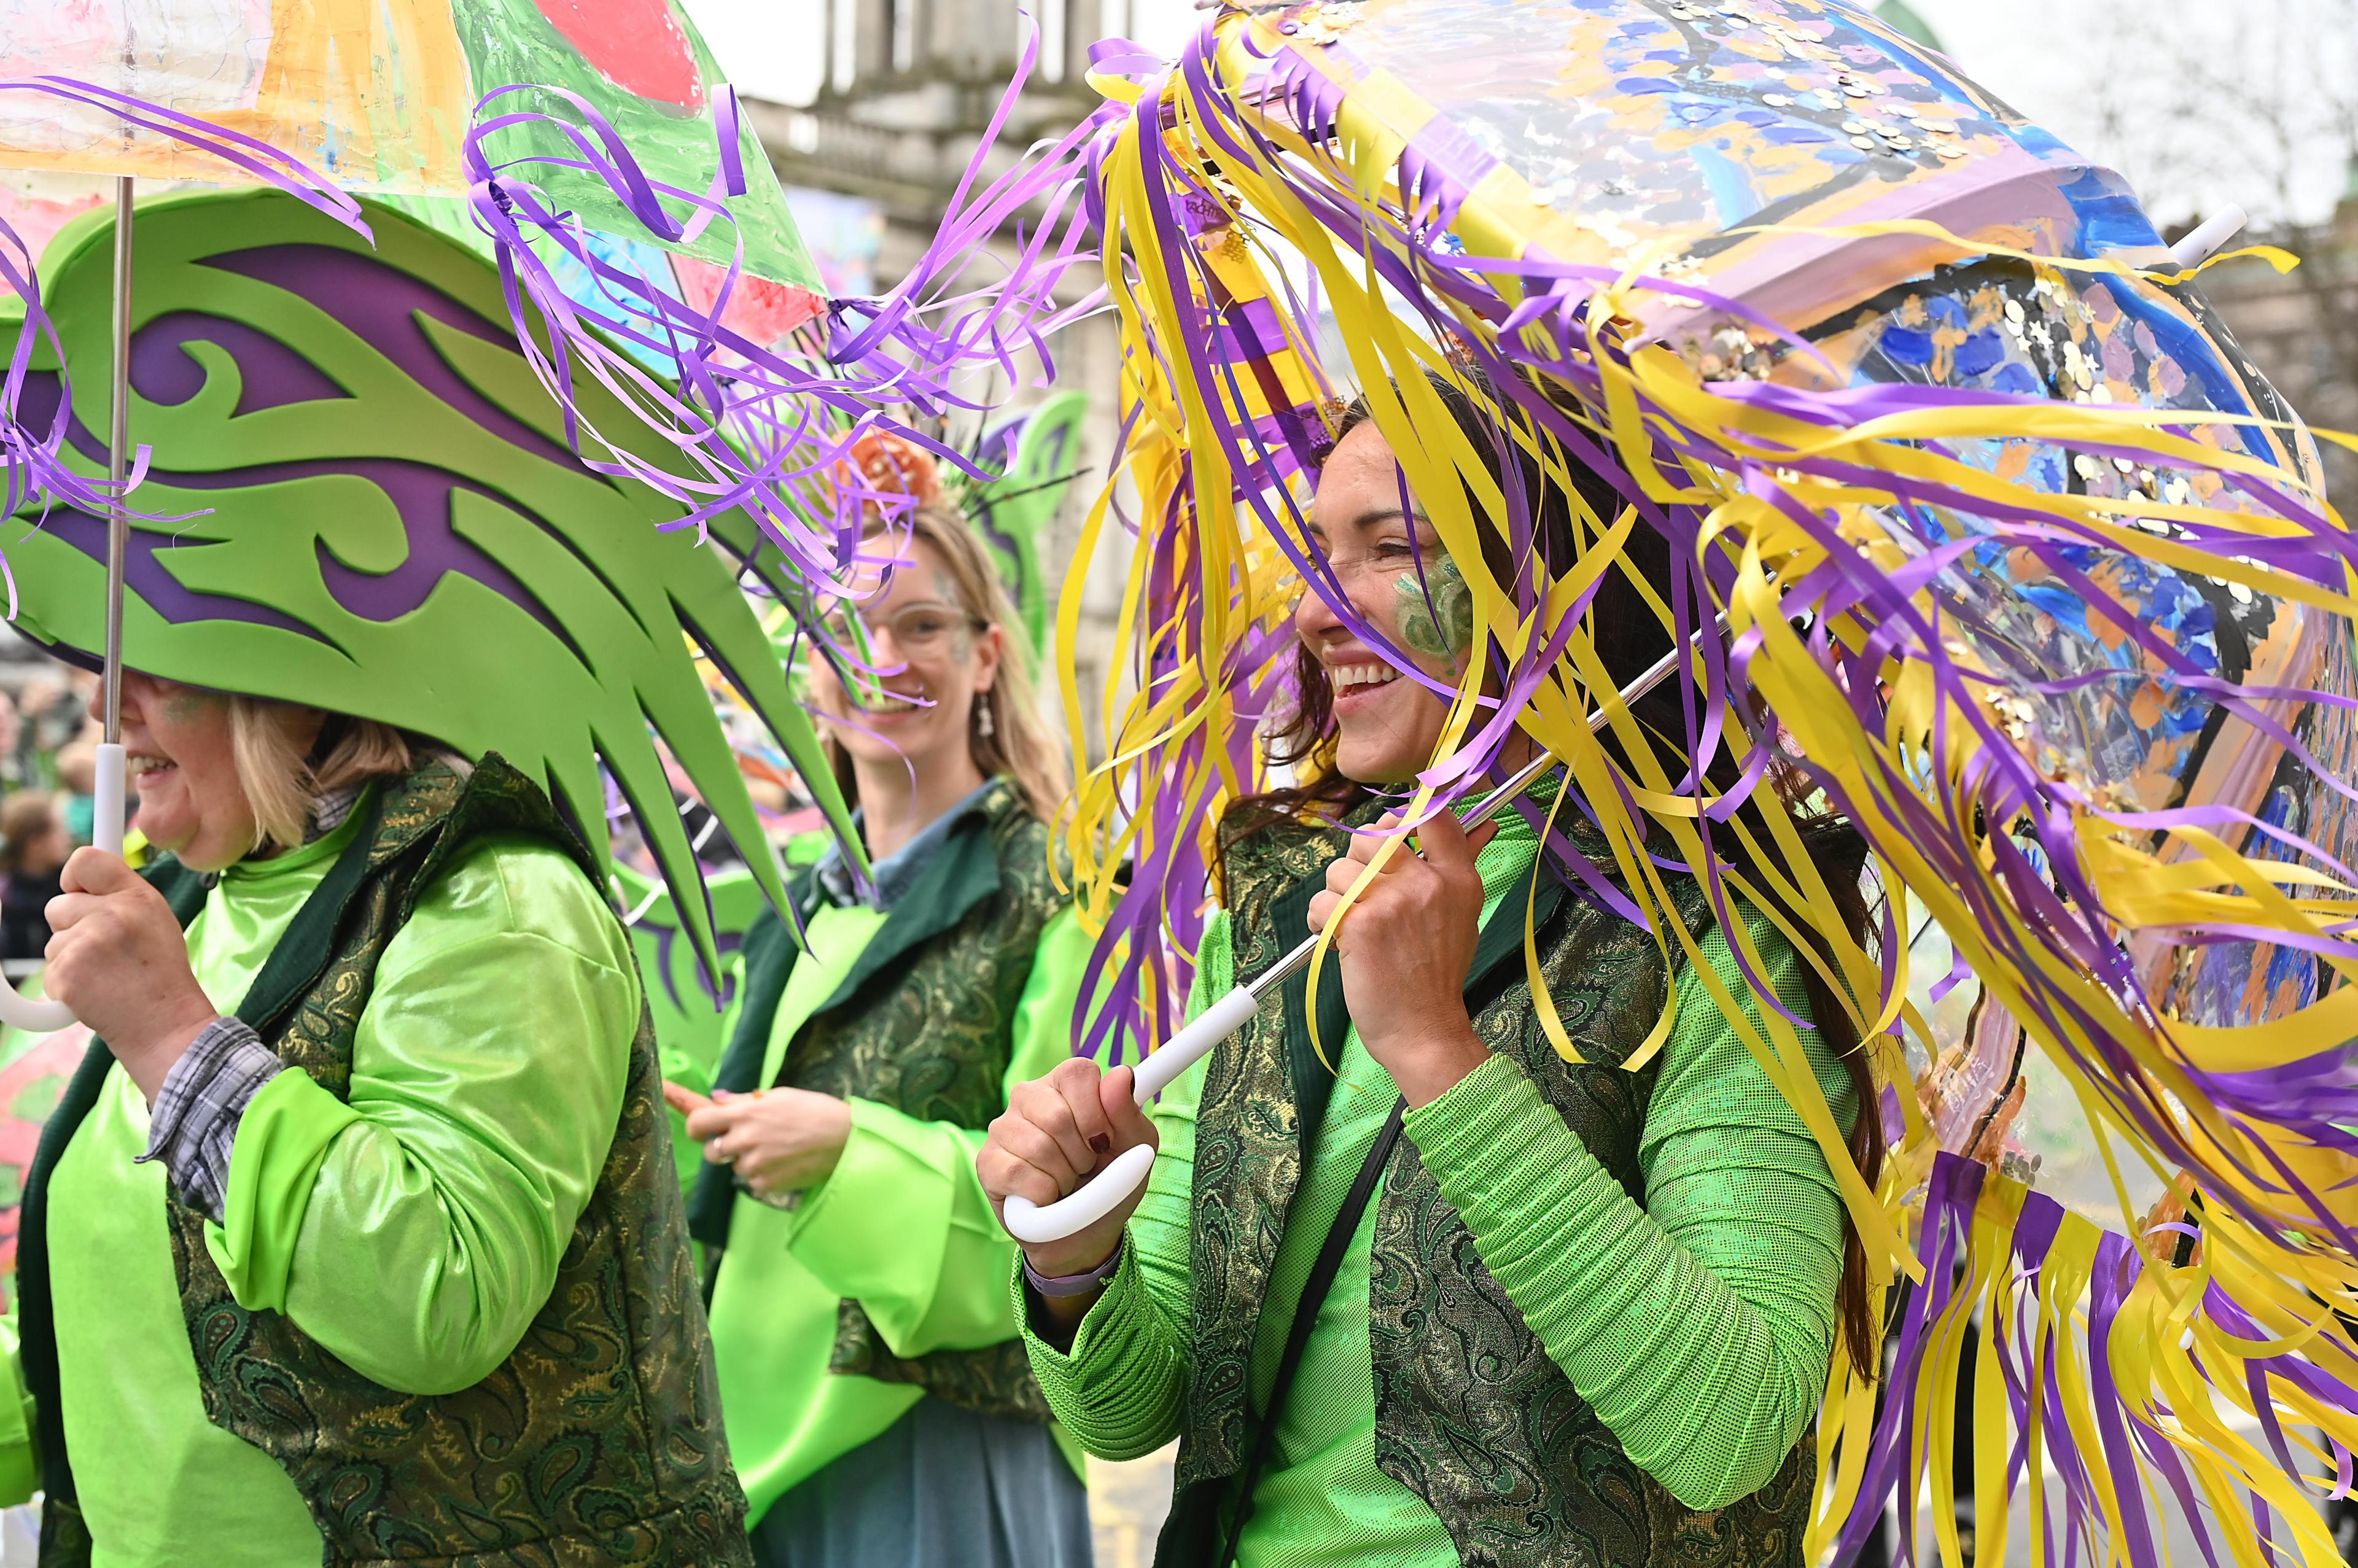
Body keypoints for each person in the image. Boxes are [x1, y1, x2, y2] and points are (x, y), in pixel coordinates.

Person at [0, 186, 847, 1566]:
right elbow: (113, 1330)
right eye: (101, 652)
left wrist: (173, 1040)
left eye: (156, 652)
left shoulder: (497, 900)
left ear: (294, 656)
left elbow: (439, 1296)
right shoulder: (214, 900)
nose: (110, 704)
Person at [979, 374, 1886, 1566]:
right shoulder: (1276, 901)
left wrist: (1433, 1049)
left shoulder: (1719, 930)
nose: (1315, 609)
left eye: (1391, 547)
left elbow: (1732, 1427)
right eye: (1317, 553)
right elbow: (1140, 1413)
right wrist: (1071, 1255)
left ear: (1552, 584)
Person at [667, 499, 1097, 1568]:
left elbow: (1077, 1200)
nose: (881, 657)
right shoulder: (788, 902)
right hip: (753, 1453)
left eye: (921, 624)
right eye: (845, 628)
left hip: (935, 1446)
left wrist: (849, 1152)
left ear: (986, 654)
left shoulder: (1061, 889)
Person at [0, 794, 69, 967]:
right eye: (59, 830)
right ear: (35, 843)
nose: (68, 836)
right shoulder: (6, 899)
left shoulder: (72, 885)